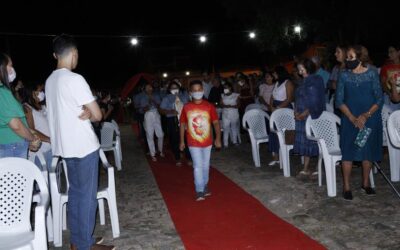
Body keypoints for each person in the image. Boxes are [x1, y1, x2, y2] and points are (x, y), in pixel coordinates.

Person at [45, 34, 114, 250]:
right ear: (74, 54)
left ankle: (79, 241)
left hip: (65, 148)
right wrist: (90, 112)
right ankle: (84, 245)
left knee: (75, 195)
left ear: (56, 55)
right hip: (83, 146)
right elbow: (98, 114)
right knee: (86, 198)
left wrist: (85, 111)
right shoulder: (75, 79)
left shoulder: (50, 80)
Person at [335, 45, 383, 201]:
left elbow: (379, 98)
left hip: (370, 118)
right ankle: (347, 186)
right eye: (347, 57)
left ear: (361, 58)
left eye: (351, 57)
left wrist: (365, 116)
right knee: (348, 151)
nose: (347, 60)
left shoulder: (372, 73)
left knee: (367, 150)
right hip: (350, 118)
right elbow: (339, 100)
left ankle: (366, 182)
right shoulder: (344, 75)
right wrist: (352, 117)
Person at [179, 80, 222, 201]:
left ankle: (204, 185)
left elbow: (215, 123)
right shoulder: (187, 107)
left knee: (205, 165)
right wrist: (181, 141)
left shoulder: (209, 106)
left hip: (207, 142)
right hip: (193, 142)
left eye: (199, 90)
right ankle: (199, 190)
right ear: (190, 92)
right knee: (197, 166)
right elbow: (182, 124)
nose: (197, 92)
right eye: (195, 90)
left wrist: (218, 138)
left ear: (203, 90)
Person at [0, 53, 41, 158]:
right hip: (11, 147)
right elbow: (16, 125)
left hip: (11, 146)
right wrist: (32, 139)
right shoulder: (1, 92)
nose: (12, 69)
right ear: (2, 67)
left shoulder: (4, 91)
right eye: (10, 65)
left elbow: (20, 123)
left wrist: (32, 136)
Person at [293, 59, 326, 177]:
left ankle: (318, 166)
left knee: (315, 141)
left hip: (313, 114)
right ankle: (305, 167)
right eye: (299, 69)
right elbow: (297, 97)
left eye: (302, 68)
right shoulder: (302, 81)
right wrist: (296, 111)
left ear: (308, 67)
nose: (300, 71)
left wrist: (306, 112)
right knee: (305, 141)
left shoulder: (317, 79)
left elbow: (317, 99)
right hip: (301, 113)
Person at [23, 82, 53, 169]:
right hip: (39, 151)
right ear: (32, 93)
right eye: (40, 91)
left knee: (51, 179)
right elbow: (31, 130)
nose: (42, 93)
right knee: (40, 179)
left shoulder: (42, 107)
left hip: (50, 148)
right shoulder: (27, 108)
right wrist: (48, 139)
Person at [268, 66, 295, 165]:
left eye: (275, 73)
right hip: (275, 109)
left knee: (285, 132)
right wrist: (271, 106)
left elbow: (289, 98)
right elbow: (272, 96)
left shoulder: (288, 83)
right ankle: (276, 157)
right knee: (274, 131)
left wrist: (278, 108)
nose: (274, 75)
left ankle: (286, 154)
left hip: (284, 109)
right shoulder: (277, 83)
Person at [160, 81, 191, 166]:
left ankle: (188, 157)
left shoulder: (184, 96)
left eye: (176, 87)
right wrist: (170, 111)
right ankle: (177, 158)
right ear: (169, 89)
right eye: (172, 88)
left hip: (184, 119)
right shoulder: (166, 98)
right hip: (173, 120)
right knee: (175, 139)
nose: (174, 89)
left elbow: (189, 105)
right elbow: (161, 110)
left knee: (187, 138)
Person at [140, 82, 164, 162]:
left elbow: (160, 106)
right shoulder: (143, 98)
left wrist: (153, 101)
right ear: (145, 89)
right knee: (150, 135)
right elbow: (143, 109)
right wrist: (149, 103)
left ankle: (160, 150)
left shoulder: (156, 96)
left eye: (150, 87)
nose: (149, 89)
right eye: (147, 88)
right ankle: (152, 154)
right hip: (148, 115)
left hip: (156, 114)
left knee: (160, 134)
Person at [221, 83, 240, 147]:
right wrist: (226, 106)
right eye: (224, 88)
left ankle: (234, 141)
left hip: (234, 113)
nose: (225, 89)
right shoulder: (222, 95)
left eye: (226, 88)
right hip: (225, 113)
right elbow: (221, 104)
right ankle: (225, 143)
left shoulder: (235, 95)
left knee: (234, 127)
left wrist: (233, 106)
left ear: (230, 88)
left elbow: (239, 104)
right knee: (226, 128)